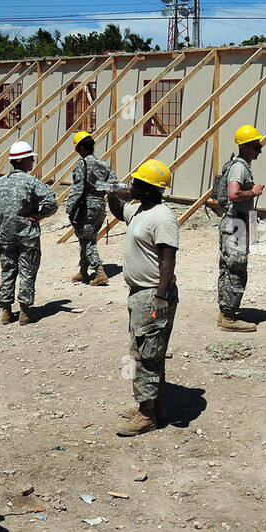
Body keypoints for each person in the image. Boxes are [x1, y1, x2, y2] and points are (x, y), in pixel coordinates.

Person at [107, 159, 178, 436]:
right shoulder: (139, 210)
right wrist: (112, 196)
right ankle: (151, 404)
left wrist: (160, 297)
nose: (131, 184)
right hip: (139, 294)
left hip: (153, 295)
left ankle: (146, 414)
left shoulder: (162, 217)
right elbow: (119, 211)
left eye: (136, 181)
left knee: (146, 355)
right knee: (145, 349)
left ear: (149, 188)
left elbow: (168, 260)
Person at [0, 141, 58, 325]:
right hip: (28, 235)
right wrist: (39, 215)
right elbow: (52, 202)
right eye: (31, 159)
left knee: (8, 271)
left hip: (5, 236)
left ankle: (5, 311)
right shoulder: (32, 182)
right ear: (24, 160)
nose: (33, 163)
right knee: (27, 271)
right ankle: (25, 313)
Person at [217, 124, 266, 332]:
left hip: (236, 222)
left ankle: (225, 312)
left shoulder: (240, 165)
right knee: (237, 269)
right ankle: (229, 317)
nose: (259, 149)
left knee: (228, 268)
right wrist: (254, 193)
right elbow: (233, 194)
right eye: (255, 146)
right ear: (245, 147)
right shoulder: (239, 167)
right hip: (235, 224)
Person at [64, 131, 115, 286]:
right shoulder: (103, 165)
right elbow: (113, 185)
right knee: (87, 238)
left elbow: (77, 189)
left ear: (79, 148)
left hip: (86, 207)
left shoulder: (83, 164)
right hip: (100, 205)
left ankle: (99, 272)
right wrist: (98, 189)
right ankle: (83, 271)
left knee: (86, 240)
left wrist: (69, 208)